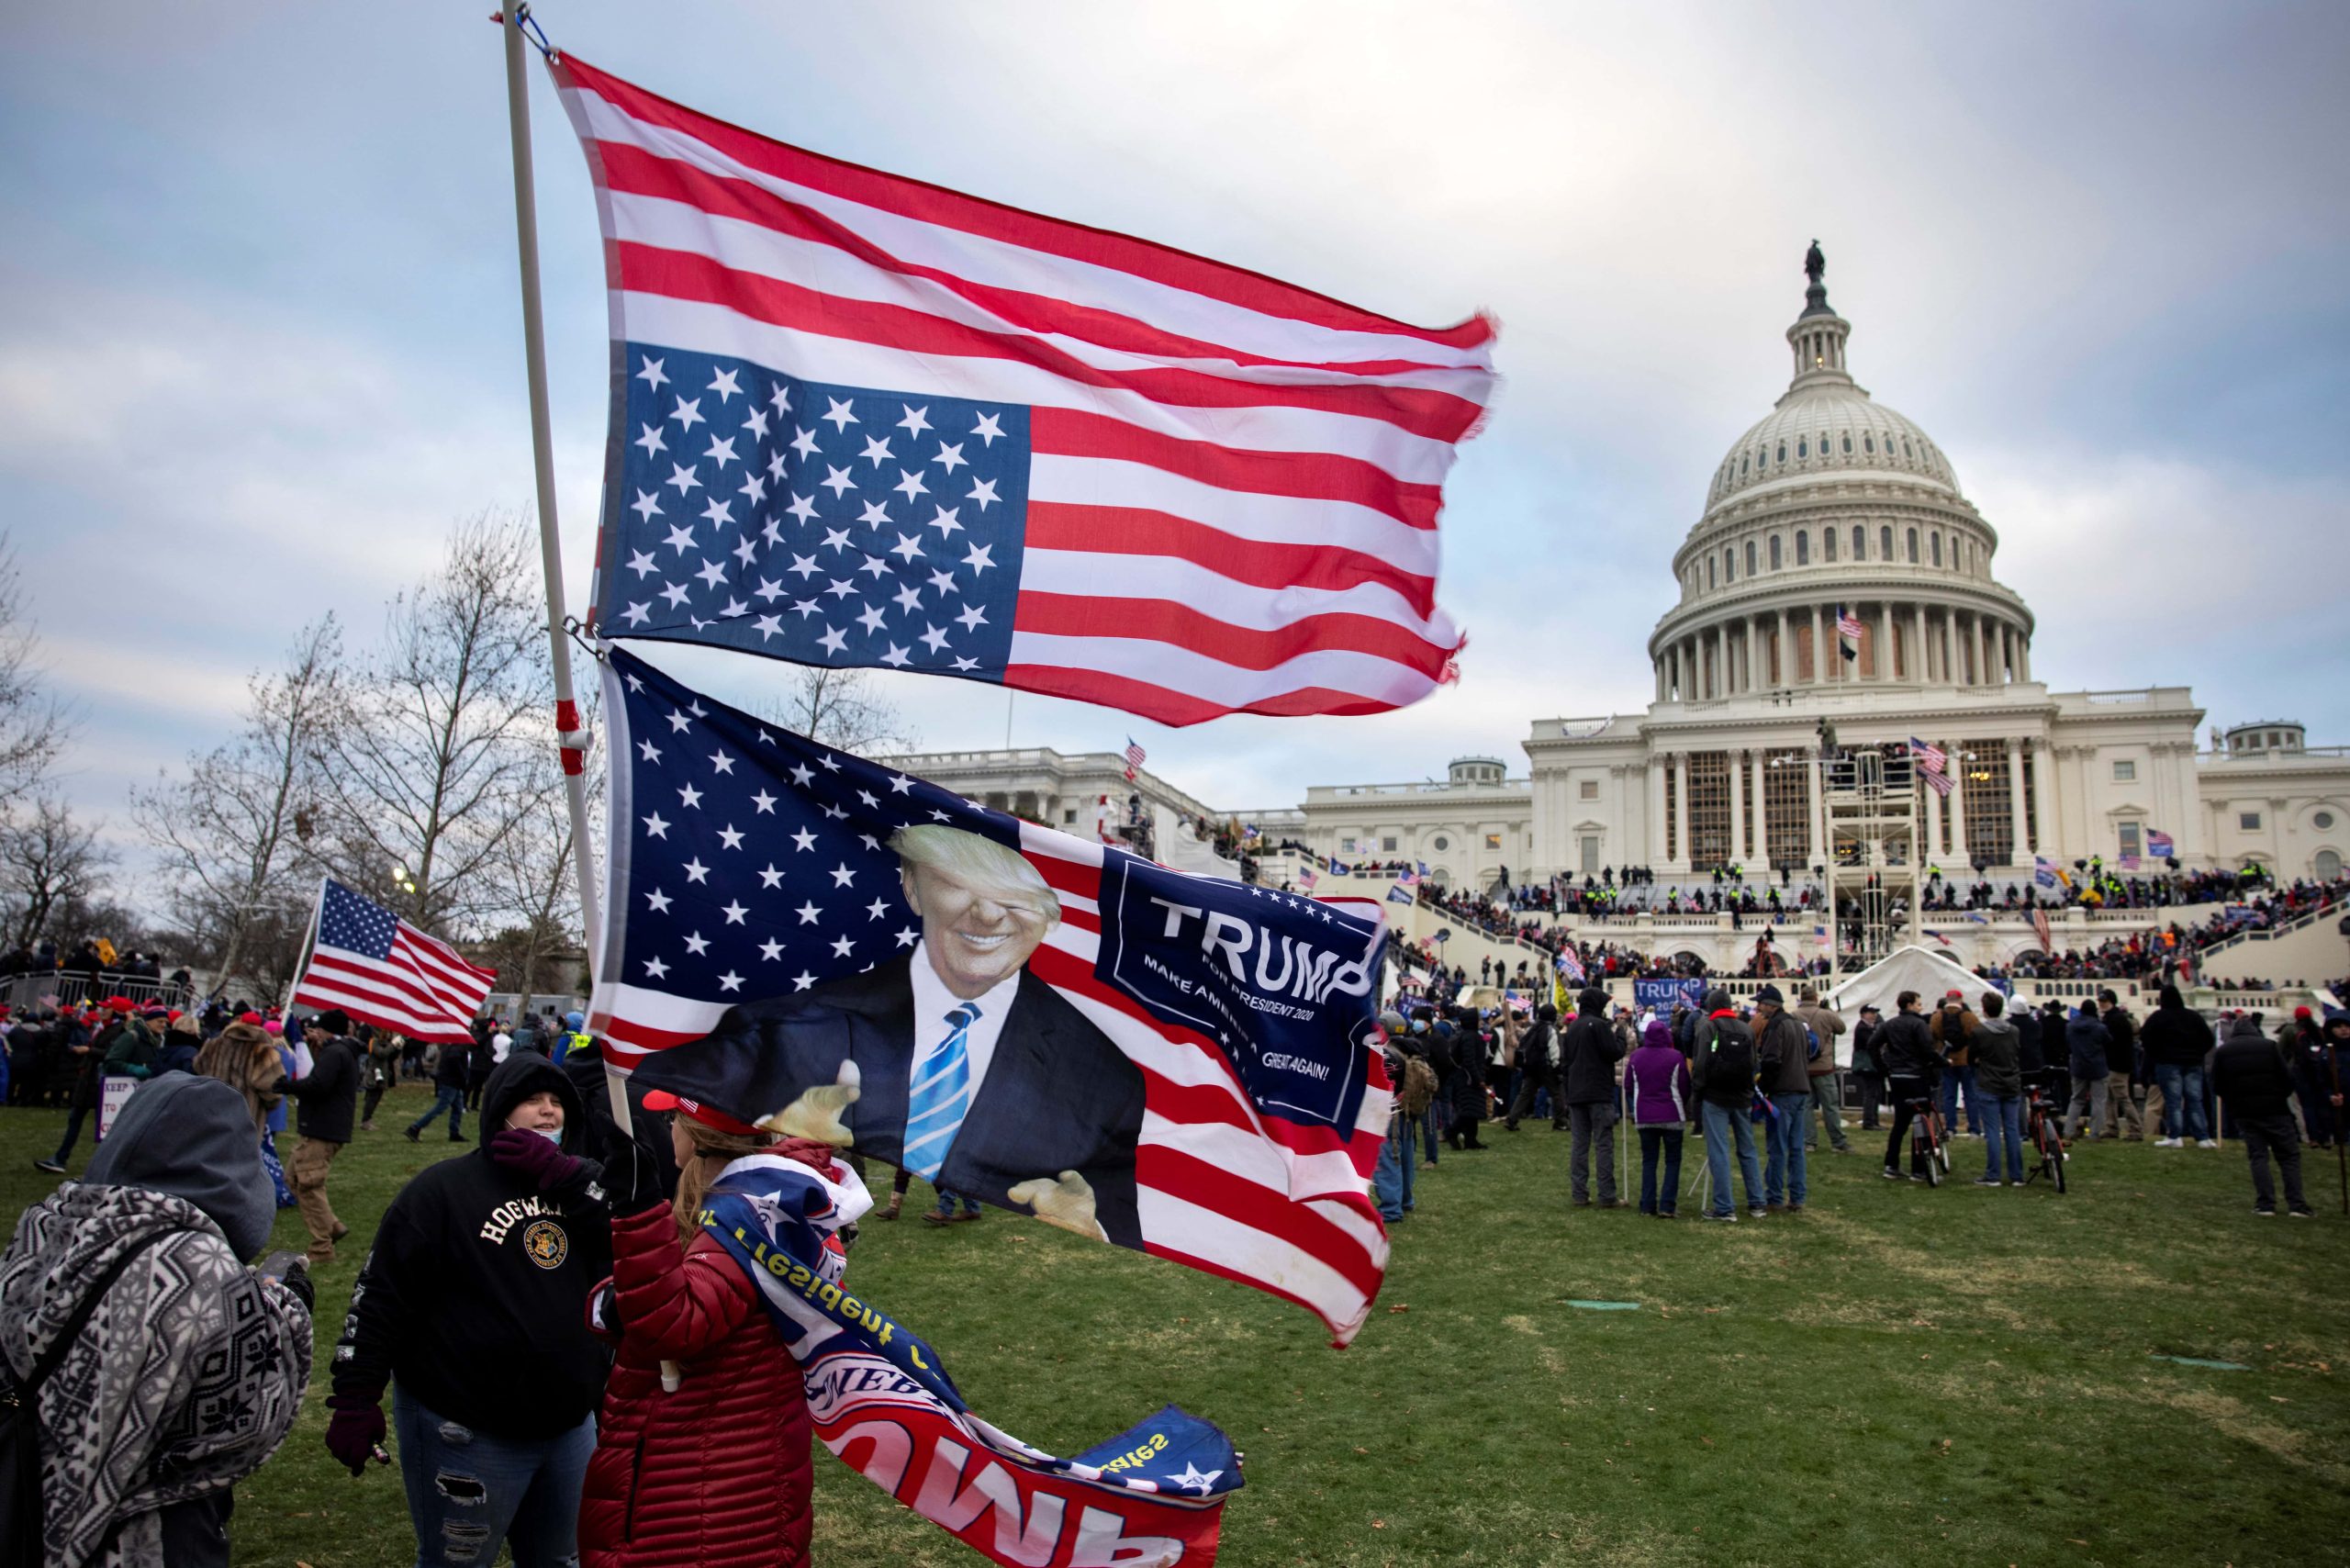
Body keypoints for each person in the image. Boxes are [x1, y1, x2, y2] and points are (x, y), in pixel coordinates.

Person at [635, 824, 1146, 1246]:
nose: (989, 914)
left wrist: (1091, 1226)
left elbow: (1127, 1211)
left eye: (1018, 898)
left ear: (1050, 917)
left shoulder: (1106, 1077)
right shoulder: (802, 1022)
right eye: (956, 881)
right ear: (911, 888)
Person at [0, 1073, 315, 1565]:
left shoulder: (49, 1224)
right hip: (137, 1535)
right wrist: (284, 1307)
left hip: (27, 1492)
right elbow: (237, 1424)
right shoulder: (199, 1267)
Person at [327, 1052, 615, 1567]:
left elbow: (639, 1238)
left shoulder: (582, 1187)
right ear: (500, 1109)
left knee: (564, 1561)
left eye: (557, 1102)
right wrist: (355, 1396)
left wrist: (570, 1179)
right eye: (531, 1100)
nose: (548, 1113)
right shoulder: (441, 1191)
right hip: (467, 1428)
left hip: (570, 1427)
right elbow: (380, 1298)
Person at [579, 1092, 834, 1567]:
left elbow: (675, 1326)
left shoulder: (740, 1222)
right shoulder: (772, 1206)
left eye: (675, 1117)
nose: (669, 1126)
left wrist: (636, 1213)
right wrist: (618, 1303)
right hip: (738, 1469)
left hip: (702, 1496)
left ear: (696, 1137)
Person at [2207, 1014, 2314, 1217]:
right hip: (2275, 1109)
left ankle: (2265, 1204)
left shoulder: (2224, 1051)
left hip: (2244, 1112)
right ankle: (2296, 1204)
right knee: (2288, 1156)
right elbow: (2287, 1078)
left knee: (2258, 1156)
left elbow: (2217, 1084)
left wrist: (2234, 1102)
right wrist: (2278, 1096)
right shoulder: (2269, 1046)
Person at [283, 1007, 364, 1264]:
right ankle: (332, 1226)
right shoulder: (338, 1051)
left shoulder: (336, 1053)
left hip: (323, 1127)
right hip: (323, 1126)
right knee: (293, 1177)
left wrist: (288, 1085)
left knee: (308, 1184)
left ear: (328, 1030)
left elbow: (319, 1085)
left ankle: (321, 1247)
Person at [1692, 988, 1766, 1220]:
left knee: (1719, 1151)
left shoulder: (1708, 1027)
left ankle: (1725, 1207)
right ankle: (1757, 1203)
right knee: (1748, 1149)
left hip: (1716, 1096)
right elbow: (1755, 1062)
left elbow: (1701, 1063)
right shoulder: (1745, 1027)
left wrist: (1698, 1090)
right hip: (1742, 1095)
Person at [1560, 987, 1626, 1209]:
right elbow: (1614, 1052)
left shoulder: (1573, 1027)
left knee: (1580, 1144)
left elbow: (1566, 1062)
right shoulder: (1599, 1025)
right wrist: (1621, 1034)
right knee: (1603, 1144)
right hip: (1598, 1090)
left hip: (1577, 1091)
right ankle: (1607, 1195)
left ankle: (1579, 1193)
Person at [1751, 984, 1813, 1213]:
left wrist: (1761, 1089)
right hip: (1800, 1089)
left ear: (1770, 1005)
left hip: (1783, 1091)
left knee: (1778, 1147)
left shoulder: (1776, 1026)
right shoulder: (1797, 1025)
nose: (1758, 1008)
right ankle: (1797, 1196)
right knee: (1796, 1147)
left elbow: (1771, 1061)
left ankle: (1775, 1196)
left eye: (1761, 1004)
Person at [1625, 1018, 1691, 1218]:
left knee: (1649, 1160)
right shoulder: (1675, 1056)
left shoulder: (1636, 1057)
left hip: (1645, 1115)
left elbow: (1628, 1086)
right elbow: (1684, 1086)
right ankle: (1667, 1205)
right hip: (1672, 1113)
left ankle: (1647, 1204)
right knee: (1672, 1160)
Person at [2141, 983, 2217, 1148]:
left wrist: (2158, 1055)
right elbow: (2208, 1039)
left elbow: (2145, 1039)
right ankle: (2202, 1137)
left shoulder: (2159, 1017)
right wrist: (2197, 1054)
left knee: (2173, 1101)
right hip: (2193, 1063)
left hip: (2168, 1063)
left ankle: (2175, 1136)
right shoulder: (2193, 1016)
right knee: (2195, 1100)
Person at [1878, 991, 1943, 1180]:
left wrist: (1884, 1067)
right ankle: (1920, 1169)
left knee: (1900, 1123)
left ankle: (1891, 1164)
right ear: (1909, 1005)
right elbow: (1927, 1050)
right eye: (1918, 1004)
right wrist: (1941, 1062)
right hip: (1916, 1077)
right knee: (1921, 1121)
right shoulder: (1919, 1024)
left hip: (1897, 1077)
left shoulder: (1889, 1025)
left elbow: (1873, 1044)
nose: (1921, 1007)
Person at [194, 1017, 286, 1138]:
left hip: (210, 1112)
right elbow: (273, 1090)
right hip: (245, 1120)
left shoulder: (213, 1044)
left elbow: (198, 1067)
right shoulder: (264, 1052)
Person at [1971, 992, 2025, 1187]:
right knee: (2012, 1130)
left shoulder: (1980, 1032)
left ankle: (1993, 1175)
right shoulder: (2014, 1031)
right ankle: (2017, 1175)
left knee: (1992, 1131)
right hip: (2010, 1082)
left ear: (1984, 1010)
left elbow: (1972, 1056)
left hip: (1989, 1083)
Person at [1795, 986, 1852, 1154]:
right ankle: (1838, 1141)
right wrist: (1829, 1011)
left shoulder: (1794, 1016)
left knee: (1806, 1107)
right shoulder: (1825, 1014)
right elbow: (1841, 1028)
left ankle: (1809, 1142)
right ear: (1815, 997)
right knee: (1830, 1106)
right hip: (1824, 1066)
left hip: (1803, 1067)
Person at [407, 1025, 473, 1143]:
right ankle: (415, 1127)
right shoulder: (457, 1048)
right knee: (441, 1107)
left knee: (457, 1108)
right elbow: (455, 1062)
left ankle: (454, 1132)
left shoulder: (451, 1047)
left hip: (453, 1082)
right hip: (451, 1082)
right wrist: (463, 1076)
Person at [1929, 991, 1980, 1137]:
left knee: (1948, 1095)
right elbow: (1977, 1037)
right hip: (1966, 1059)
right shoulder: (1969, 1017)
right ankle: (1974, 1128)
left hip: (1947, 1060)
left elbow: (1932, 1037)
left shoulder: (1936, 1017)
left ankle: (1950, 1127)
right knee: (1970, 1095)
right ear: (1960, 1000)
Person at [2064, 1005, 2113, 1142]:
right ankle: (2094, 1133)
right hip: (2097, 1067)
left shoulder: (2071, 1026)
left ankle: (2069, 1130)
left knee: (2076, 1099)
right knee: (2098, 1101)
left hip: (2078, 1066)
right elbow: (2109, 1041)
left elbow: (2068, 1043)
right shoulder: (2100, 1028)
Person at [2100, 991, 2142, 1141]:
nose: (2101, 1004)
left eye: (2104, 1001)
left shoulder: (2115, 1020)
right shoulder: (2116, 1018)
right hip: (2115, 1063)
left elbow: (2114, 1044)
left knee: (2122, 1097)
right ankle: (2112, 1126)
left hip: (2117, 1064)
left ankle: (2135, 1128)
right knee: (2111, 1098)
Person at [358, 1023, 401, 1131]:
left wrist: (398, 1047)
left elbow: (391, 1056)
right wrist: (392, 1044)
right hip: (374, 1075)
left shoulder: (384, 1043)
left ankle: (368, 1119)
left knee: (376, 1098)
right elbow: (382, 1054)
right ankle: (365, 1121)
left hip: (382, 1075)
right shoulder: (374, 1042)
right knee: (371, 1098)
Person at [1850, 1003, 1886, 1131]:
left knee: (1876, 1092)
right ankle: (1869, 1121)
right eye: (1871, 1012)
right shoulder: (1862, 1028)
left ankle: (1873, 1120)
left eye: (1875, 1013)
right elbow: (1872, 1043)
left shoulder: (1869, 1027)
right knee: (1871, 1093)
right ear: (1863, 1014)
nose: (1874, 1015)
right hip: (1867, 1065)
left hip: (1872, 1065)